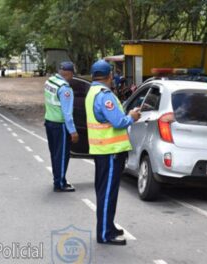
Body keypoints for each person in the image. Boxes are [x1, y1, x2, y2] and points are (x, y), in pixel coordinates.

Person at [85, 60, 141, 246]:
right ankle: (104, 233)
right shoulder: (104, 95)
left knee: (106, 191)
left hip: (103, 150)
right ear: (109, 76)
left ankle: (108, 226)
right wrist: (131, 117)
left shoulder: (92, 92)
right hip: (110, 152)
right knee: (107, 193)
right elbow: (118, 122)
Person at [44, 61, 79, 192]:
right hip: (60, 125)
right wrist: (73, 131)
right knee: (62, 155)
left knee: (55, 154)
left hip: (49, 122)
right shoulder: (65, 89)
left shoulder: (50, 81)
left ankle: (59, 178)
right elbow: (67, 113)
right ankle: (59, 184)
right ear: (69, 74)